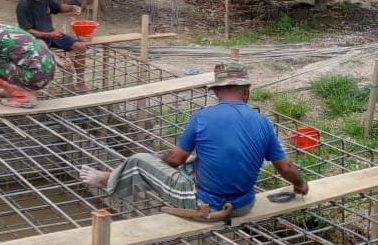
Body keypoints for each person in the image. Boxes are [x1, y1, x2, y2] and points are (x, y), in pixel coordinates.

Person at [79, 60, 308, 221]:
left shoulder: (203, 117)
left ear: (216, 92)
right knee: (196, 160)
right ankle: (118, 175)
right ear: (246, 90)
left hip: (205, 204)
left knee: (140, 161)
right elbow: (285, 167)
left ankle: (108, 179)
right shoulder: (263, 122)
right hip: (243, 206)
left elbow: (175, 160)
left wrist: (156, 159)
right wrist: (300, 184)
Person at [16, 0, 87, 91]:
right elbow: (27, 31)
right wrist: (49, 34)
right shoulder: (23, 5)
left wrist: (72, 7)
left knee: (81, 47)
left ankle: (80, 82)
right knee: (41, 45)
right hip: (34, 39)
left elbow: (58, 7)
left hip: (52, 34)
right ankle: (61, 62)